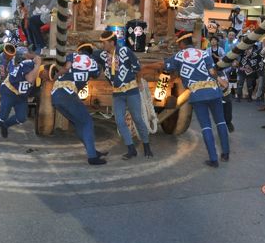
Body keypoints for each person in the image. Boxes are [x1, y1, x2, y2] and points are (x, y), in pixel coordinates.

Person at [164, 33, 230, 167]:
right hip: (213, 91)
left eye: (178, 44)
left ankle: (213, 159)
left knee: (206, 127)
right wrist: (220, 80)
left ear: (182, 44)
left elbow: (167, 67)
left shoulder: (178, 56)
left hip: (197, 94)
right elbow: (212, 71)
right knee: (221, 122)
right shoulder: (204, 53)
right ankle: (226, 153)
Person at [96, 31, 153, 160]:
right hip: (117, 92)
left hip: (131, 89)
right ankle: (131, 149)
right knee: (119, 121)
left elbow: (137, 67)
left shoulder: (125, 51)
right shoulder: (103, 55)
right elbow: (89, 53)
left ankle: (147, 146)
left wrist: (138, 82)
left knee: (137, 118)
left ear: (111, 42)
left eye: (104, 43)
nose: (102, 45)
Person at [51, 43, 107, 165]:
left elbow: (66, 68)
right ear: (90, 52)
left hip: (56, 95)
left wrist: (56, 75)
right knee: (87, 122)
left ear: (79, 50)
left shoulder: (73, 55)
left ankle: (92, 151)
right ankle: (92, 157)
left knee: (79, 123)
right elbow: (98, 74)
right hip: (68, 93)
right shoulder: (93, 63)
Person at [0, 48, 40, 142]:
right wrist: (37, 64)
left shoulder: (20, 62)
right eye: (27, 54)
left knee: (21, 118)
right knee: (3, 116)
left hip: (20, 94)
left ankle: (5, 125)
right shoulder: (26, 64)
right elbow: (30, 79)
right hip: (9, 91)